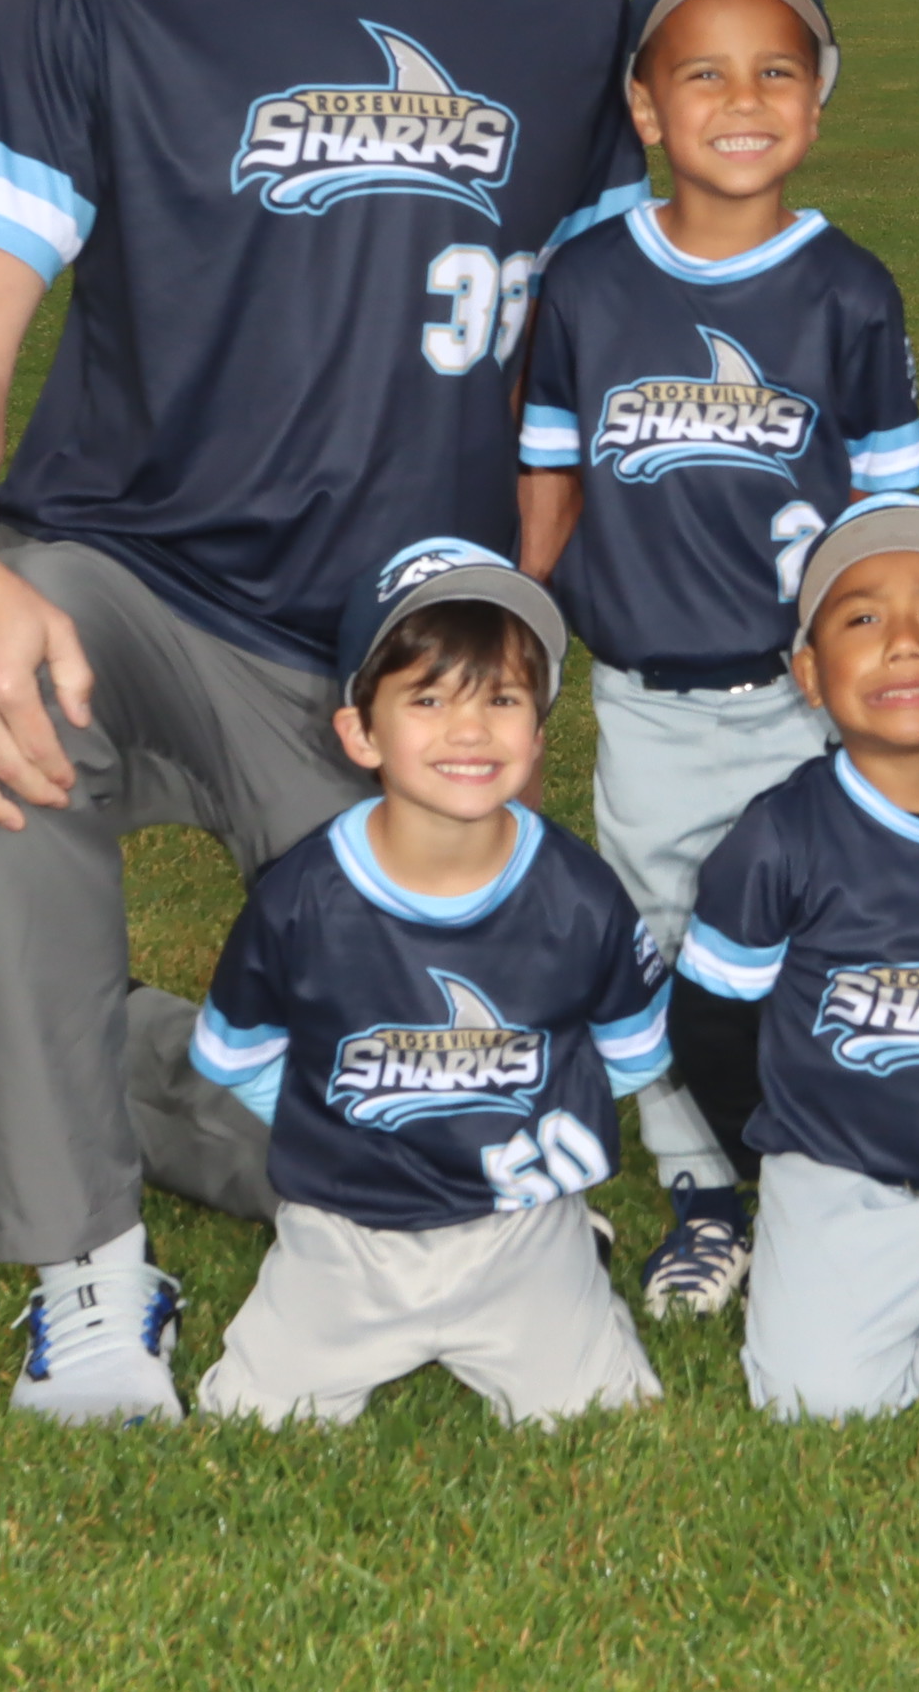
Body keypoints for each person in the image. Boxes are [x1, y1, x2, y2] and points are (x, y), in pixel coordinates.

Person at [0, 0, 645, 1425]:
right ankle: (83, 1268)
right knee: (11, 670)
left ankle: (73, 1068)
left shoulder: (567, 2)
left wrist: (524, 624)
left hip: (401, 654)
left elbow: (587, 364)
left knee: (424, 1134)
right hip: (141, 581)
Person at [515, 0, 919, 1320]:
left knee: (833, 926)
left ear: (819, 96)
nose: (742, 100)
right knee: (661, 939)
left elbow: (893, 520)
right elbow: (551, 482)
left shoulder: (849, 289)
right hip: (649, 698)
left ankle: (826, 1161)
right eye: (702, 72)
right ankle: (704, 1192)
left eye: (776, 71)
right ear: (645, 106)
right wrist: (528, 641)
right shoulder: (586, 285)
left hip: (812, 699)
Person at [183, 544, 667, 1428]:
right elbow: (240, 1055)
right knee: (254, 1418)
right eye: (429, 698)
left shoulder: (578, 894)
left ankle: (572, 1263)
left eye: (503, 698)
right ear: (360, 731)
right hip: (346, 1234)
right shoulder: (301, 898)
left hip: (522, 1227)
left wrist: (527, 1137)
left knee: (601, 1417)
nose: (469, 729)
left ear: (538, 732)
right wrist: (337, 1137)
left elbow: (630, 1055)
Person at [674, 496, 919, 1420]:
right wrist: (776, 1144)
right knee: (816, 1402)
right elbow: (712, 1022)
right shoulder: (781, 834)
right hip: (836, 1180)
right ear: (809, 675)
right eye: (860, 619)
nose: (903, 643)